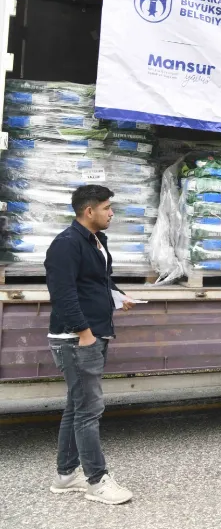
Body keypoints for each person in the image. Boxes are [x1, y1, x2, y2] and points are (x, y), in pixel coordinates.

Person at [45, 185, 135, 505]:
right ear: (89, 211)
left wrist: (118, 295)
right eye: (107, 208)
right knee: (89, 410)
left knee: (77, 405)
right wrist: (84, 333)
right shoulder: (66, 245)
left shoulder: (95, 240)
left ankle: (66, 475)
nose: (111, 213)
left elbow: (99, 279)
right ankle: (97, 481)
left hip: (91, 334)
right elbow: (63, 294)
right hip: (75, 339)